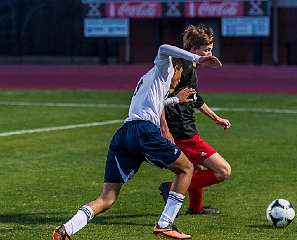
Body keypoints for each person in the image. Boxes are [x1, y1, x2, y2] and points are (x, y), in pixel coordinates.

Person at [51, 44, 222, 240]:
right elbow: (163, 47)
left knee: (107, 198)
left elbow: (154, 104)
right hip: (144, 131)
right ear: (175, 67)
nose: (178, 80)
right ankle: (165, 224)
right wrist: (197, 58)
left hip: (124, 134)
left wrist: (175, 100)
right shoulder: (164, 67)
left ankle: (66, 229)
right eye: (179, 75)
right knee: (187, 169)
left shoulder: (148, 80)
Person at [159, 25, 231, 215]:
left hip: (184, 128)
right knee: (223, 171)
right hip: (183, 132)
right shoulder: (183, 66)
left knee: (196, 167)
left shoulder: (188, 65)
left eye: (211, 49)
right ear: (193, 50)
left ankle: (195, 207)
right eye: (206, 49)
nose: (210, 53)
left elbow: (194, 98)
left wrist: (216, 118)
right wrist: (165, 128)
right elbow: (161, 99)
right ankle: (170, 187)